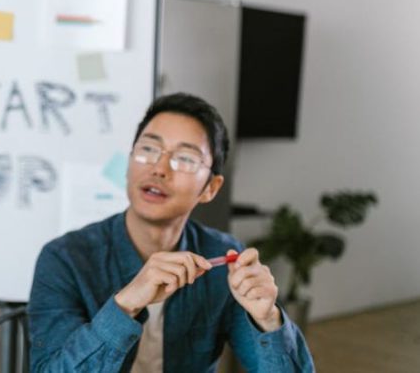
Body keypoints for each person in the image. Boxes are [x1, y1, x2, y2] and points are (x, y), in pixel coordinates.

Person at [27, 93, 315, 372]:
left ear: (211, 188)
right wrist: (125, 304)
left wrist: (268, 319)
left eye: (186, 158)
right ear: (128, 163)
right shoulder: (65, 259)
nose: (159, 168)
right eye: (148, 150)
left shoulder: (223, 259)